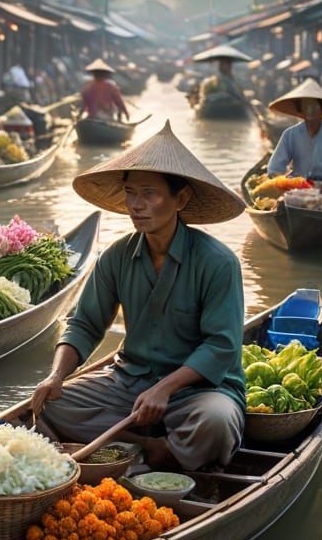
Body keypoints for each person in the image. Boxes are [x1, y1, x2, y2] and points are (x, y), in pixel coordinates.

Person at [29, 121, 246, 471]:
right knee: (49, 405)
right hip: (129, 381)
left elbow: (221, 347)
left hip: (197, 391)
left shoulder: (218, 262)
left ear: (181, 199)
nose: (136, 205)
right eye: (131, 193)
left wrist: (166, 389)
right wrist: (55, 377)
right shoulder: (115, 257)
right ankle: (150, 447)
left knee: (218, 422)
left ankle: (158, 452)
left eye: (149, 194)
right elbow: (84, 323)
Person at [266, 78, 322, 181]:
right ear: (301, 110)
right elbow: (275, 167)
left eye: (314, 105)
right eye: (306, 106)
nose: (310, 110)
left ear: (321, 108)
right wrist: (281, 181)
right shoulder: (290, 134)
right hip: (299, 186)